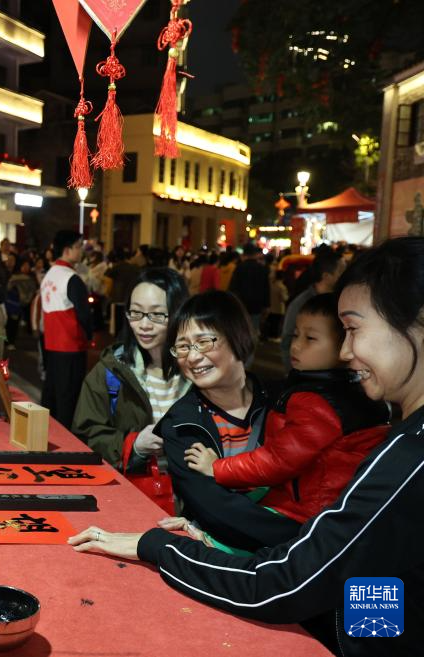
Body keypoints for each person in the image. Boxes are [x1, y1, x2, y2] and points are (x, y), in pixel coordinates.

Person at [68, 237, 424, 657]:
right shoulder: (185, 420)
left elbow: (286, 583)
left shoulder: (401, 451)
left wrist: (162, 546)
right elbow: (373, 577)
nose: (345, 352)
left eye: (353, 329)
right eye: (183, 345)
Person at [183, 293, 389, 535]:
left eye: (310, 338)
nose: (296, 345)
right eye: (295, 335)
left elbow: (277, 460)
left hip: (309, 515)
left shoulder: (319, 403)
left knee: (224, 530)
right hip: (324, 506)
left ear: (345, 345)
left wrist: (218, 468)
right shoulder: (349, 389)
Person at [158, 291, 303, 551]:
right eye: (183, 346)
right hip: (231, 556)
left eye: (203, 342)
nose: (192, 357)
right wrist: (308, 537)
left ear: (238, 336)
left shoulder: (287, 402)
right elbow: (217, 510)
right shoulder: (180, 424)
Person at [71, 268, 190, 470]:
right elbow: (85, 435)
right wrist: (134, 445)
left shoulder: (199, 372)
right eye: (136, 312)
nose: (144, 325)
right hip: (135, 485)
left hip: (191, 486)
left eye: (156, 314)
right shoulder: (109, 372)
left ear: (179, 314)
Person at [40, 230, 93, 429]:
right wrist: (90, 335)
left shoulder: (49, 275)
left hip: (51, 345)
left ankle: (49, 434)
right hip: (71, 345)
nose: (81, 251)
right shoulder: (71, 278)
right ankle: (68, 438)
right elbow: (84, 315)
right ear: (67, 250)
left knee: (52, 395)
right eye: (78, 247)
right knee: (69, 399)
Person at [280, 248, 344, 368]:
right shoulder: (300, 304)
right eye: (341, 271)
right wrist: (292, 372)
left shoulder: (343, 301)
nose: (295, 345)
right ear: (326, 276)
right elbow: (286, 340)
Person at [229, 242, 270, 338]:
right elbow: (266, 288)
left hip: (241, 304)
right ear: (255, 254)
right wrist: (266, 305)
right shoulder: (261, 269)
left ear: (244, 254)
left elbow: (233, 287)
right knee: (253, 331)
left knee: (241, 331)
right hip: (256, 305)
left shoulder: (239, 268)